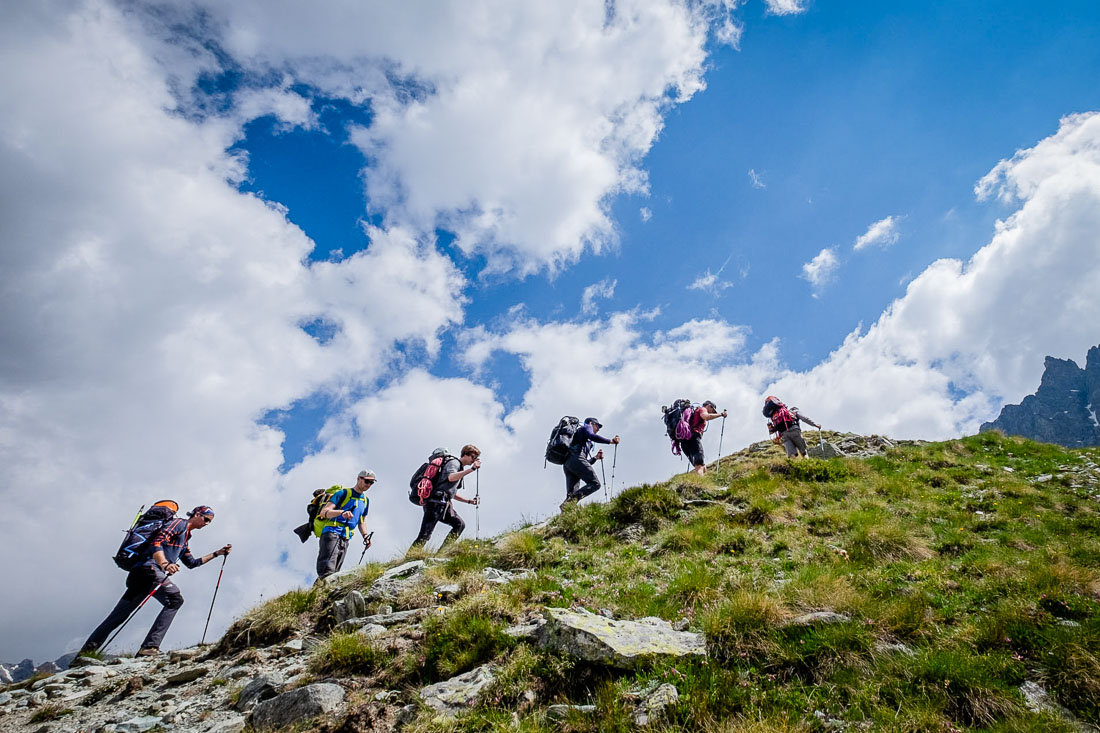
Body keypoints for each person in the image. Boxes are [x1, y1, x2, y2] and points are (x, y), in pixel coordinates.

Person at [81, 506, 231, 657]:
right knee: (174, 600)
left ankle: (84, 655)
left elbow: (192, 563)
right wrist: (165, 564)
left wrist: (217, 553)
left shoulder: (186, 537)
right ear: (197, 514)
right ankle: (150, 647)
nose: (206, 524)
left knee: (117, 616)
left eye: (209, 522)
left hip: (140, 573)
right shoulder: (179, 524)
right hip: (149, 570)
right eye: (205, 519)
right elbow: (157, 542)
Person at [410, 445, 481, 550]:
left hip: (443, 503)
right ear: (465, 454)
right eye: (473, 456)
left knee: (459, 525)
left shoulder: (459, 468)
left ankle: (443, 552)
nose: (474, 460)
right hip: (435, 502)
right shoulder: (454, 463)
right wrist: (472, 469)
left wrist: (469, 501)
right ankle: (409, 558)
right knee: (425, 534)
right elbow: (451, 477)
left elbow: (451, 492)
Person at [315, 470, 375, 582]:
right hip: (331, 532)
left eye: (371, 483)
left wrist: (365, 536)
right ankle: (319, 594)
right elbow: (324, 512)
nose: (368, 485)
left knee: (335, 571)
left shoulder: (365, 500)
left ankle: (318, 594)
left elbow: (361, 521)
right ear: (358, 478)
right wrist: (341, 513)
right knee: (327, 570)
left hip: (346, 537)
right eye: (367, 481)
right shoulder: (343, 493)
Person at [561, 417, 619, 511]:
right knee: (595, 484)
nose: (598, 429)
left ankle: (566, 515)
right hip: (575, 459)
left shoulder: (583, 439)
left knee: (572, 492)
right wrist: (610, 441)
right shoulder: (587, 427)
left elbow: (584, 463)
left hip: (568, 463)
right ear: (592, 423)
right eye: (598, 426)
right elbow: (592, 436)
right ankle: (568, 503)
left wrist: (595, 458)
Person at [679, 400, 728, 476]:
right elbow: (706, 417)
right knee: (699, 465)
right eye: (712, 410)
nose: (712, 412)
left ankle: (704, 481)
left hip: (684, 441)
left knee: (701, 465)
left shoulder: (695, 412)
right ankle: (700, 484)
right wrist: (721, 414)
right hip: (693, 438)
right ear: (709, 406)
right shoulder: (702, 409)